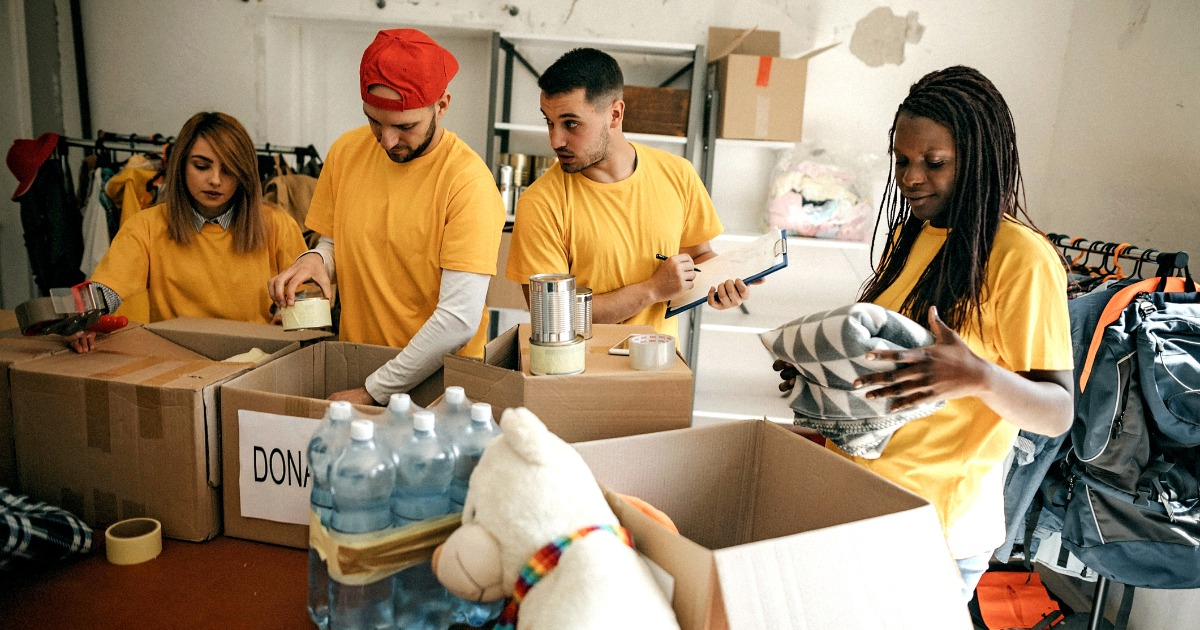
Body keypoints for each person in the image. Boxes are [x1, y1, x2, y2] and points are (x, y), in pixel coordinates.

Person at [773, 66, 1073, 599]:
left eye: (934, 163)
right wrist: (825, 371)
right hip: (862, 504)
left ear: (979, 160)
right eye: (903, 161)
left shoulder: (1022, 259)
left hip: (932, 532)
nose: (911, 178)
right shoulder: (914, 237)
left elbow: (1056, 412)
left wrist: (978, 377)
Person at [268, 29, 505, 405]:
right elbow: (334, 241)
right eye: (375, 121)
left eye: (404, 126)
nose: (386, 140)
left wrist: (375, 390)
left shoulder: (468, 183)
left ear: (441, 106)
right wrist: (315, 260)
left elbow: (458, 320)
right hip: (358, 365)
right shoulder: (346, 152)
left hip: (443, 390)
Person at [505, 48, 750, 340]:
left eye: (570, 123)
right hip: (579, 378)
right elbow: (553, 315)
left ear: (615, 114)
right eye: (549, 121)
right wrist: (652, 290)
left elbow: (698, 254)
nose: (555, 139)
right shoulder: (540, 203)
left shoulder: (678, 174)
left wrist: (724, 283)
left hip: (659, 369)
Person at [69, 111, 307, 353]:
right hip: (177, 366)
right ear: (181, 165)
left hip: (260, 363)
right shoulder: (146, 226)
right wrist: (87, 316)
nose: (215, 180)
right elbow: (109, 284)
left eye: (228, 170)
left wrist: (290, 315)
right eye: (201, 166)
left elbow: (306, 296)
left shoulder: (277, 224)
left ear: (244, 173)